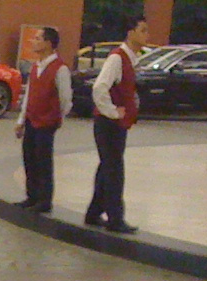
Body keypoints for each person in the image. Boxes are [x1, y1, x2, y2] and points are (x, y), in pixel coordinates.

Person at [85, 14, 149, 234]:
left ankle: (94, 213)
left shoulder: (130, 59)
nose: (146, 35)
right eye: (142, 30)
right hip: (108, 124)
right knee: (114, 170)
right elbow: (99, 87)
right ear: (130, 33)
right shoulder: (117, 58)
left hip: (116, 124)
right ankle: (115, 218)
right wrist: (112, 112)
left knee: (107, 168)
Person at [14, 27, 71, 213]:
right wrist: (21, 120)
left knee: (43, 160)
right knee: (29, 157)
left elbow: (65, 98)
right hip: (32, 119)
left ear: (48, 43)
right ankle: (32, 195)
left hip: (47, 121)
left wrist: (58, 117)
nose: (34, 42)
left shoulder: (60, 69)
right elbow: (29, 94)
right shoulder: (35, 66)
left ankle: (44, 200)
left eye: (38, 38)